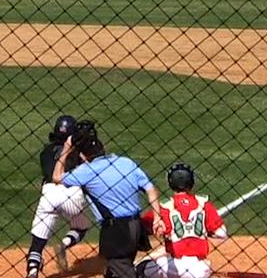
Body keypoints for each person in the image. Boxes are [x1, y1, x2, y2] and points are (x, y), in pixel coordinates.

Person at [53, 121, 165, 278]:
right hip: (136, 227)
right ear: (103, 148)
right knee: (113, 270)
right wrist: (157, 217)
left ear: (83, 155)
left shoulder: (87, 171)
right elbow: (151, 189)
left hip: (116, 231)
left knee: (123, 271)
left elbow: (56, 177)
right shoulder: (126, 162)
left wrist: (66, 149)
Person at [25, 115, 92, 278]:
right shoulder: (78, 151)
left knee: (38, 242)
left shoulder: (45, 152)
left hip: (49, 194)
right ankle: (64, 244)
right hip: (72, 194)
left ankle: (33, 270)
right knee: (81, 227)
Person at [136, 163, 228, 278]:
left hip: (172, 267)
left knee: (141, 267)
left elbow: (140, 228)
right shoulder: (203, 203)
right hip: (200, 269)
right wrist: (205, 231)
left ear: (170, 182)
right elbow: (222, 233)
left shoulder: (165, 207)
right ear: (191, 182)